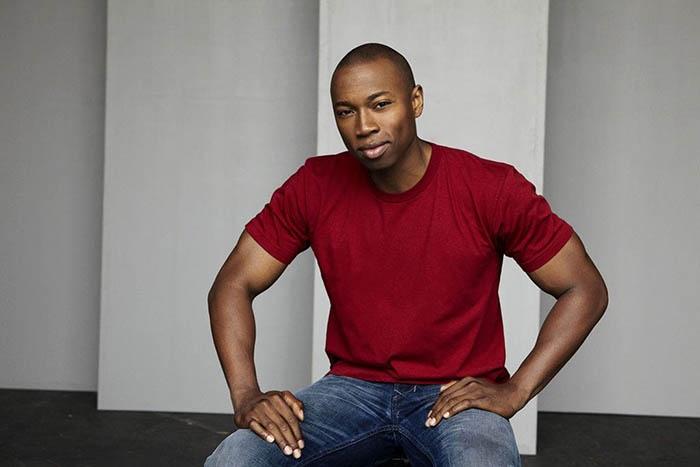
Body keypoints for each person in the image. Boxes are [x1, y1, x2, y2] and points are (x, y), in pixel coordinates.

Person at [204, 43, 608, 467]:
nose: (364, 126)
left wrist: (517, 389)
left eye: (380, 104)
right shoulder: (315, 186)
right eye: (346, 111)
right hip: (351, 392)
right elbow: (233, 283)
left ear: (415, 101)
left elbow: (585, 288)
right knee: (237, 457)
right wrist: (246, 394)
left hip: (455, 397)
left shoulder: (490, 188)